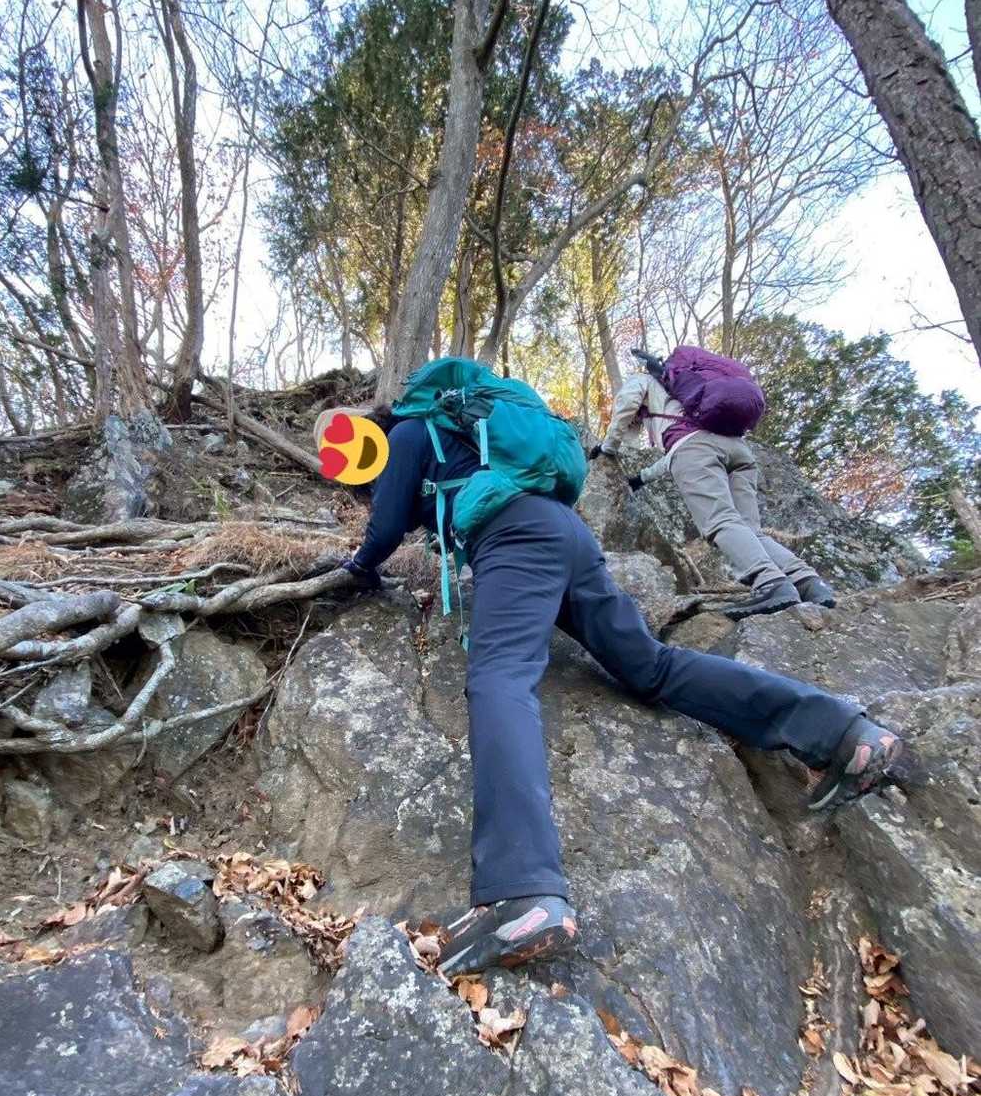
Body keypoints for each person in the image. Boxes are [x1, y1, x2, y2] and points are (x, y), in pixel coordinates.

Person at [342, 405, 902, 977]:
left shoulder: (407, 433)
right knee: (650, 667)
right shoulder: (459, 441)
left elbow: (385, 529)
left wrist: (356, 568)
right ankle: (842, 733)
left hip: (514, 537)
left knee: (500, 677)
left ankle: (520, 890)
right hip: (565, 533)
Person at [591, 350, 836, 619]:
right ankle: (808, 582)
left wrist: (608, 447)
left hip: (697, 450)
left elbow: (642, 414)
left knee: (720, 521)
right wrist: (642, 478)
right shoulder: (690, 393)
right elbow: (679, 454)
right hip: (740, 453)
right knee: (750, 530)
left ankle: (770, 583)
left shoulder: (644, 382)